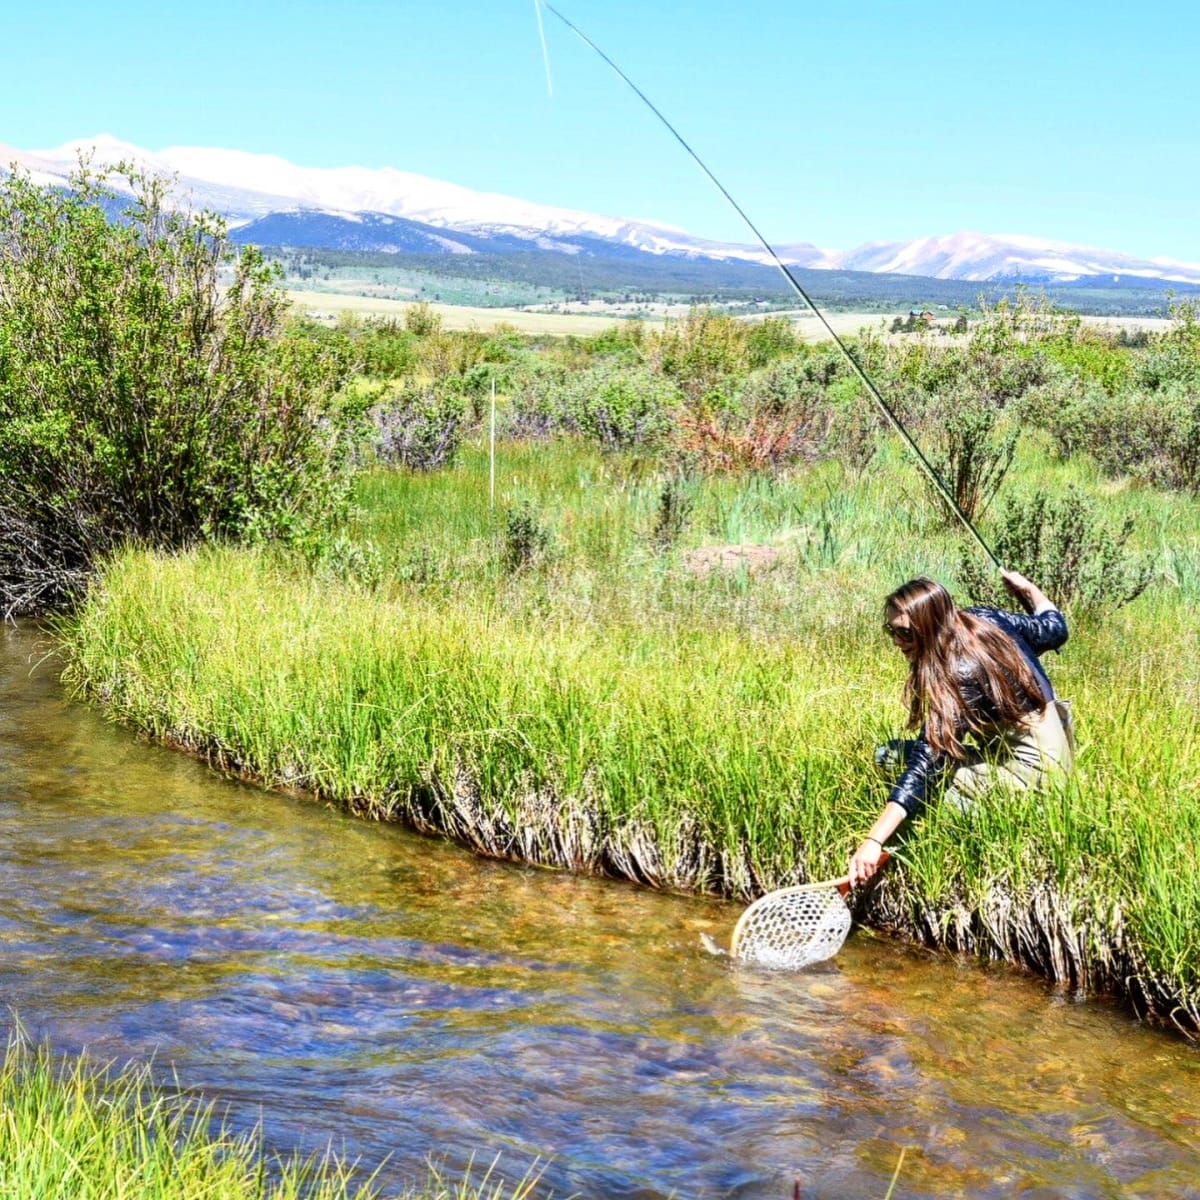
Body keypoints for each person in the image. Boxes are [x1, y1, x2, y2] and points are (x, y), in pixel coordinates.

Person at [848, 570, 1071, 887]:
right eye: (890, 631)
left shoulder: (956, 673)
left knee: (890, 758)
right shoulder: (983, 618)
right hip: (1056, 756)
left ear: (930, 627)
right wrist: (1029, 589)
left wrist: (873, 841)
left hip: (1033, 778)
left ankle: (948, 832)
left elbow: (928, 762)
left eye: (906, 634)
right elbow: (1054, 629)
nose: (897, 642)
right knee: (907, 757)